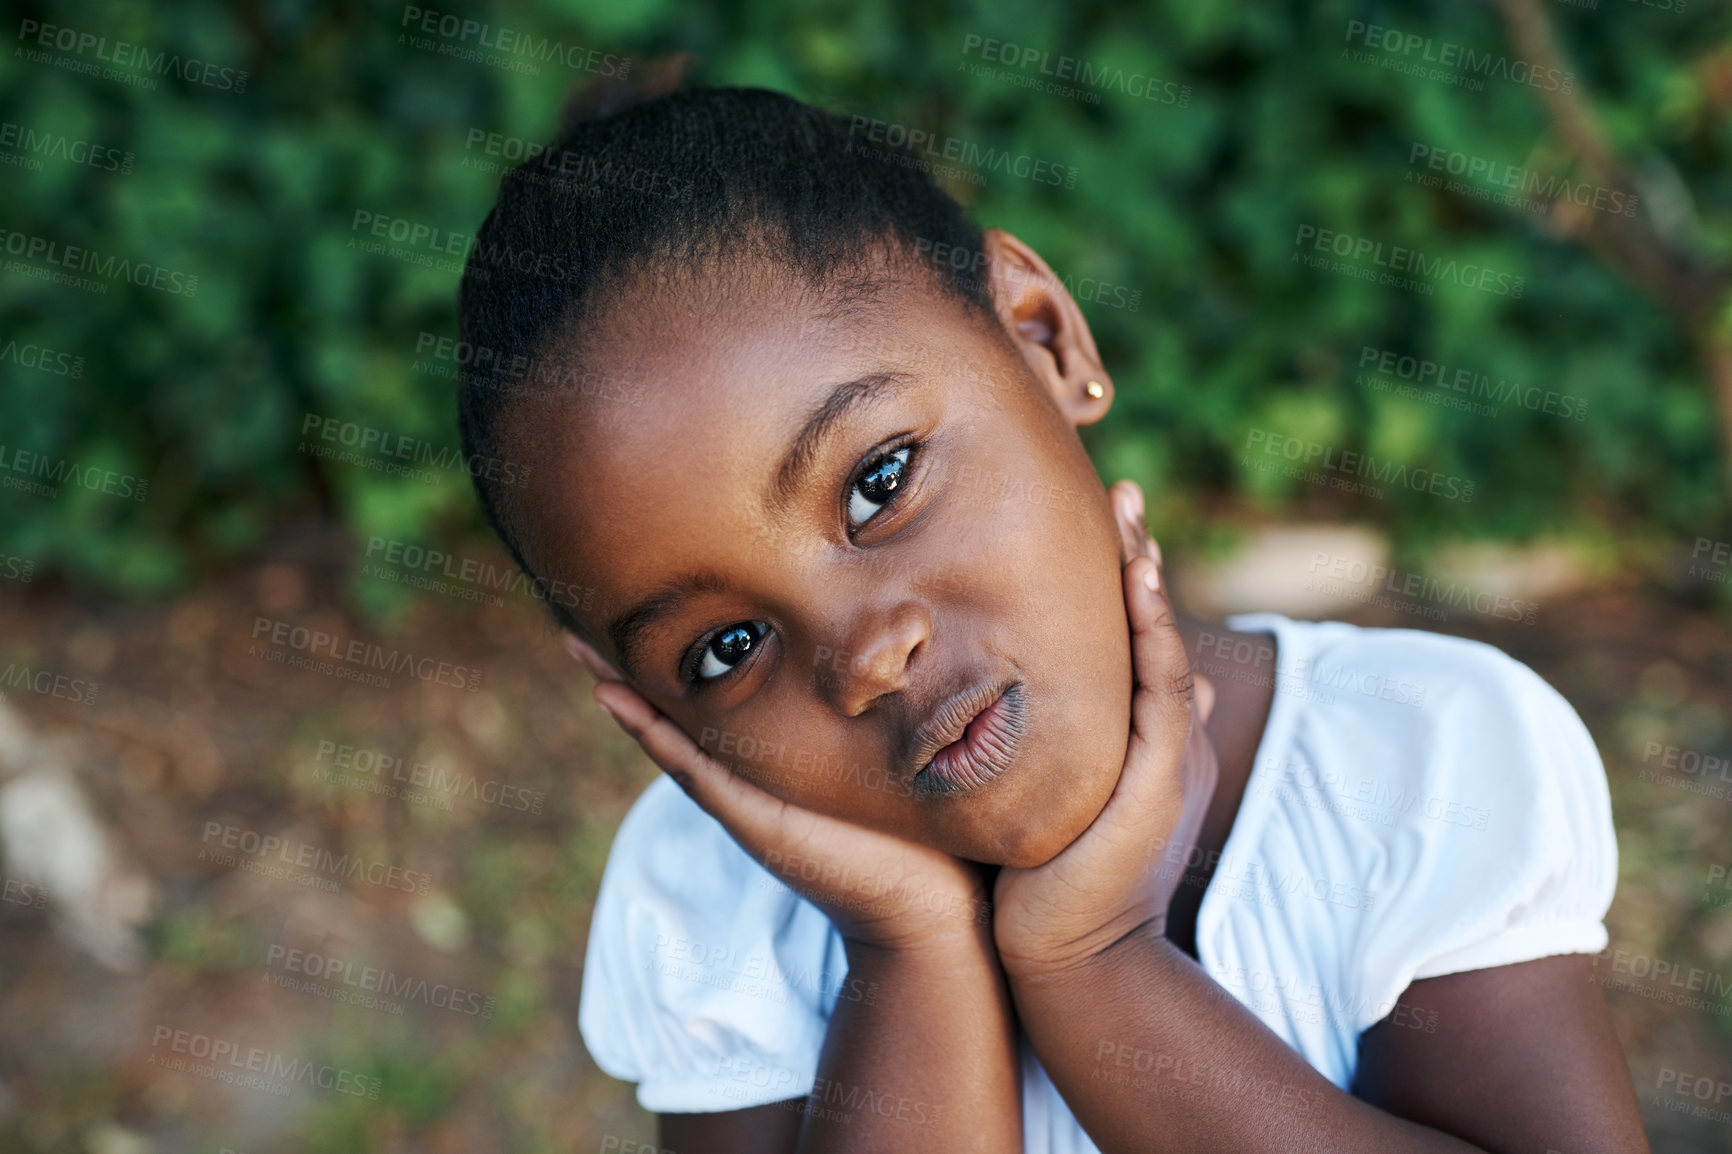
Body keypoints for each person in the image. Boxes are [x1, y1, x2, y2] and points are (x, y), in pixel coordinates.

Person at [453, 79, 1650, 1153]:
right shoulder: (712, 902)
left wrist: (1092, 960)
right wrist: (907, 947)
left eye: (880, 481)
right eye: (725, 648)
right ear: (642, 705)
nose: (868, 656)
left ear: (1042, 337)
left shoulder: (1415, 754)